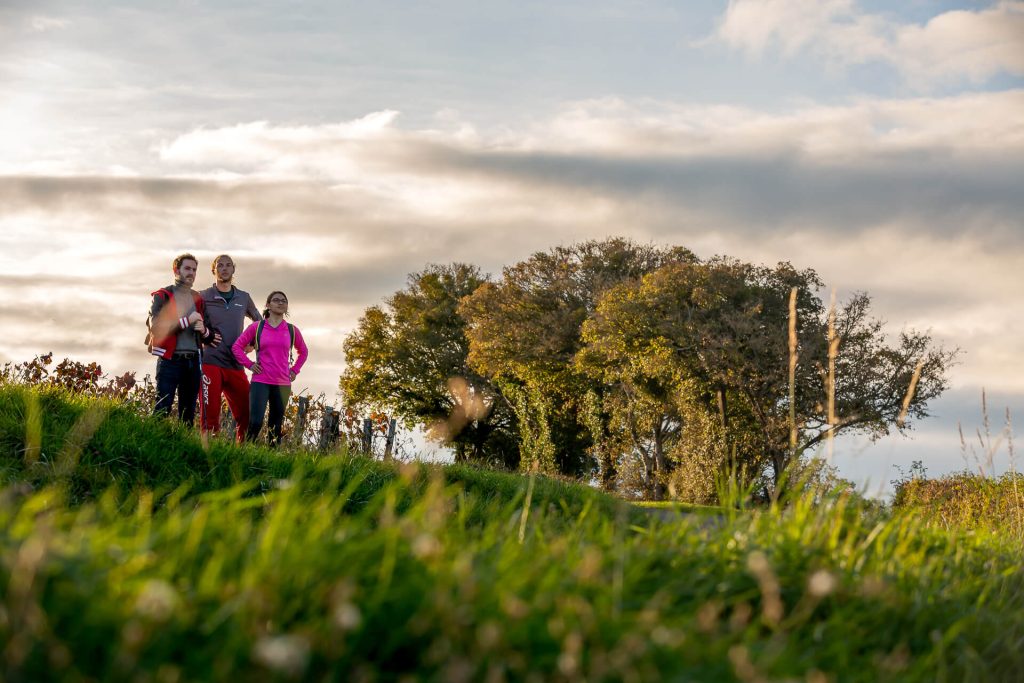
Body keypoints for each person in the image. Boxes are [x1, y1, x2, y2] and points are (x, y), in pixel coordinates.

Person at [148, 253, 220, 424]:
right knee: (162, 408)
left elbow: (210, 336)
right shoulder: (163, 295)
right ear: (176, 270)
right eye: (187, 268)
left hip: (194, 362)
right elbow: (157, 328)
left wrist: (204, 331)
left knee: (187, 415)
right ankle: (154, 447)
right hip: (170, 361)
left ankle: (183, 449)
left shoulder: (198, 299)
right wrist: (187, 320)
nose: (191, 273)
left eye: (194, 270)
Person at [232, 291, 308, 446]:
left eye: (283, 301)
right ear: (267, 305)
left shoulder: (292, 330)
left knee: (275, 426)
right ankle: (246, 453)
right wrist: (250, 365)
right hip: (261, 382)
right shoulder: (257, 327)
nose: (280, 303)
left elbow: (304, 351)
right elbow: (236, 347)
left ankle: (270, 460)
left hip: (282, 384)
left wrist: (294, 370)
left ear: (286, 306)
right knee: (255, 422)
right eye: (276, 300)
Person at [199, 254, 262, 441]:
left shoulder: (244, 297)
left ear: (233, 269)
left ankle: (242, 453)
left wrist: (252, 344)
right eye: (220, 265)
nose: (224, 268)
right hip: (210, 362)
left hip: (235, 363)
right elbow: (191, 321)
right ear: (214, 270)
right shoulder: (203, 296)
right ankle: (210, 454)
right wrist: (204, 336)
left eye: (228, 265)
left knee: (248, 414)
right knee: (209, 418)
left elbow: (260, 324)